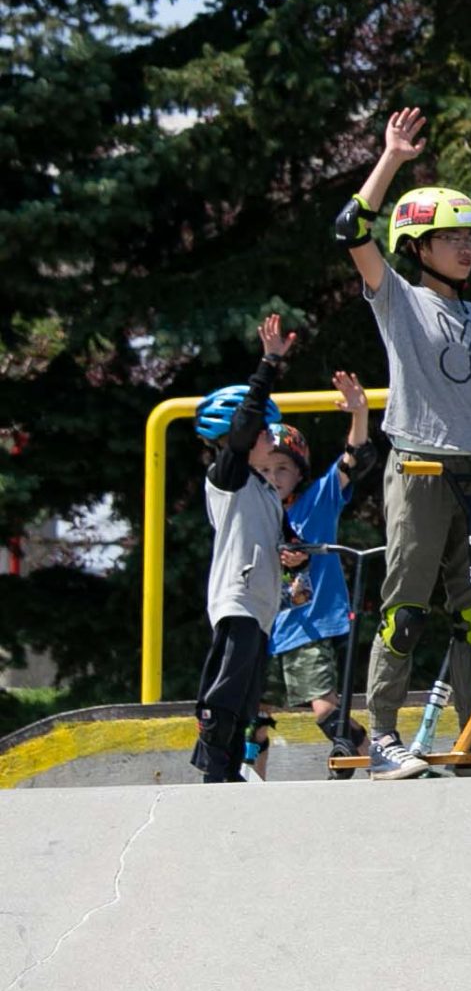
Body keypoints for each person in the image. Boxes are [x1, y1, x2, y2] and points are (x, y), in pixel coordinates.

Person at [333, 108, 471, 780]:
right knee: (407, 610)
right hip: (419, 464)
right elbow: (350, 228)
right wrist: (390, 157)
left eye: (470, 238)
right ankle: (383, 734)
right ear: (417, 246)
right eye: (451, 238)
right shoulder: (397, 298)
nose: (466, 248)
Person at [193, 315, 295, 783]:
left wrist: (296, 556)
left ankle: (230, 769)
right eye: (266, 431)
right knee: (227, 690)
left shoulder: (265, 490)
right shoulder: (228, 477)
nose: (273, 438)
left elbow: (285, 540)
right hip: (237, 599)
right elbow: (246, 421)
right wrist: (269, 363)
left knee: (248, 697)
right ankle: (213, 768)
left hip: (262, 606)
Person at [265, 370, 380, 768]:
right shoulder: (254, 512)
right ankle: (247, 790)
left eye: (282, 469)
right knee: (252, 718)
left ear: (299, 472)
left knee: (325, 711)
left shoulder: (317, 500)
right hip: (265, 630)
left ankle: (378, 761)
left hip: (310, 626)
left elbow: (353, 459)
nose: (273, 478)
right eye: (265, 470)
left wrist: (359, 413)